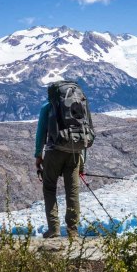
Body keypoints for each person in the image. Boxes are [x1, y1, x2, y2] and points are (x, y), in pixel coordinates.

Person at [34, 100, 83, 239]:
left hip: (54, 151)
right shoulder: (78, 105)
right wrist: (82, 164)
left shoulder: (48, 106)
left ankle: (54, 229)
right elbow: (83, 132)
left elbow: (41, 132)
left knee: (49, 189)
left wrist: (38, 155)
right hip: (74, 153)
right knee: (72, 192)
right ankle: (73, 231)